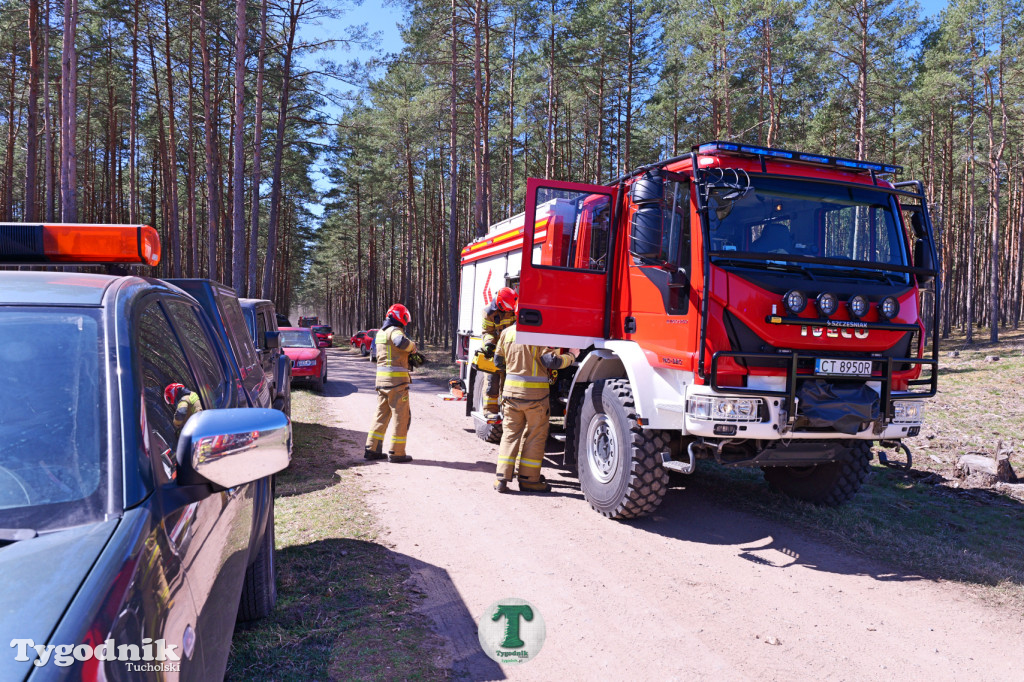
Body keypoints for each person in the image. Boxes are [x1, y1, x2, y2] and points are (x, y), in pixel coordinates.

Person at [492, 309, 578, 493]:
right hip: (535, 398)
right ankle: (529, 480)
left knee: (510, 434)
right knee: (534, 436)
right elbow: (552, 362)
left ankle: (501, 478)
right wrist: (571, 356)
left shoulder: (506, 333)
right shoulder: (538, 335)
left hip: (510, 395)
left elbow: (498, 362)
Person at [365, 303, 423, 463]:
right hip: (396, 383)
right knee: (401, 416)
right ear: (400, 317)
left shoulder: (381, 333)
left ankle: (372, 449)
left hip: (382, 382)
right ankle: (397, 453)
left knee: (381, 415)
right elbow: (401, 343)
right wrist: (412, 347)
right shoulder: (395, 331)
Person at [479, 287, 518, 417]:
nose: (510, 310)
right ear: (500, 303)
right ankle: (490, 411)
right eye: (508, 308)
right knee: (492, 382)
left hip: (510, 351)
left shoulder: (514, 307)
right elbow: (487, 332)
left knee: (508, 384)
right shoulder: (488, 312)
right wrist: (489, 345)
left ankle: (507, 412)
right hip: (495, 350)